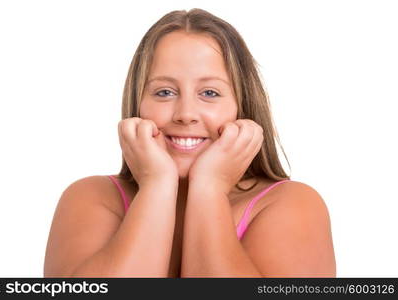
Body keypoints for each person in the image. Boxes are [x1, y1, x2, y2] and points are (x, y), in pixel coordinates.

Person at [43, 8, 336, 278]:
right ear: (138, 105)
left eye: (209, 93)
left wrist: (209, 187)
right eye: (164, 92)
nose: (185, 114)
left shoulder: (292, 204)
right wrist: (157, 184)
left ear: (242, 107)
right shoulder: (91, 197)